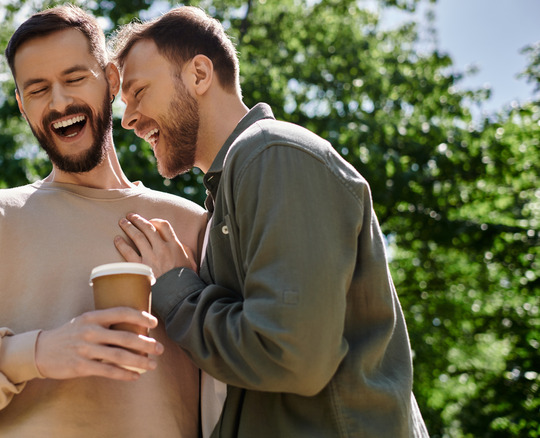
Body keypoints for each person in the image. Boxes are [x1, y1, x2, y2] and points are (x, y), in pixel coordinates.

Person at [0, 5, 206, 437]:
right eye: (38, 89)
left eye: (73, 79)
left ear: (111, 79)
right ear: (21, 106)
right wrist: (37, 353)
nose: (60, 102)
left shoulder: (192, 225)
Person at [110, 6, 429, 437]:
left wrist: (176, 289)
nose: (127, 118)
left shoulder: (273, 154)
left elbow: (289, 354)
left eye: (139, 91)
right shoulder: (234, 186)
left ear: (199, 75)